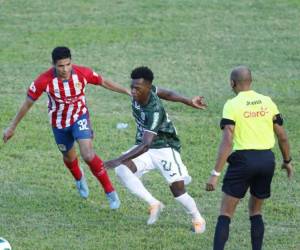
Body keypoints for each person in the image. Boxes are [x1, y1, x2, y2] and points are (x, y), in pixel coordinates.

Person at [3, 46, 131, 209]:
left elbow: (103, 81)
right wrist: (12, 127)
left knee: (88, 155)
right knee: (69, 158)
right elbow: (27, 104)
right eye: (60, 66)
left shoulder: (82, 73)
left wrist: (126, 91)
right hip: (59, 125)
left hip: (80, 118)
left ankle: (110, 192)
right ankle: (79, 178)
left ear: (71, 62)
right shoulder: (44, 80)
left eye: (67, 64)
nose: (65, 69)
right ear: (53, 65)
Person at [105, 66, 207, 233]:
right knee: (122, 170)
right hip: (145, 147)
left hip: (164, 148)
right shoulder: (146, 90)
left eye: (137, 89)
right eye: (132, 87)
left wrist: (118, 159)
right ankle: (154, 203)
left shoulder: (154, 110)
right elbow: (168, 94)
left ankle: (198, 218)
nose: (133, 91)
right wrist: (188, 101)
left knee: (178, 190)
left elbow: (146, 144)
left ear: (147, 87)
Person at [206, 66, 293, 250]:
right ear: (251, 81)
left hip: (243, 161)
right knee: (256, 211)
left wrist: (215, 173)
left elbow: (228, 140)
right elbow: (282, 136)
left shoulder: (232, 104)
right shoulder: (267, 102)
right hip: (267, 160)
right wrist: (287, 161)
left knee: (225, 213)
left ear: (232, 83)